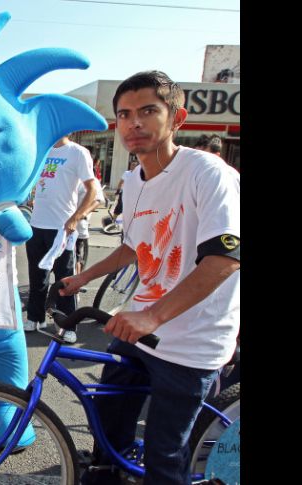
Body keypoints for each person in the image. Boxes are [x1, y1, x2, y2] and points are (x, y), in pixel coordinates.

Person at [59, 71, 240, 485]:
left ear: (177, 118)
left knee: (165, 460)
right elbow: (134, 247)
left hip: (192, 339)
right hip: (140, 328)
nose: (133, 123)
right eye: (123, 114)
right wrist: (81, 276)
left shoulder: (207, 173)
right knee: (108, 431)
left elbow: (226, 257)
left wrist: (153, 317)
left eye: (147, 111)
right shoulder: (133, 179)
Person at [24, 134, 97, 344]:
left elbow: (93, 190)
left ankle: (68, 325)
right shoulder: (42, 151)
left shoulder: (77, 153)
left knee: (65, 279)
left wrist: (76, 217)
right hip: (37, 224)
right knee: (37, 276)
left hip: (62, 227)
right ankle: (35, 317)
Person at [74, 178, 105, 275]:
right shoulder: (67, 175)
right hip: (60, 222)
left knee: (75, 256)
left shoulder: (92, 180)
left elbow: (98, 200)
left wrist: (83, 213)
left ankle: (75, 284)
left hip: (78, 224)